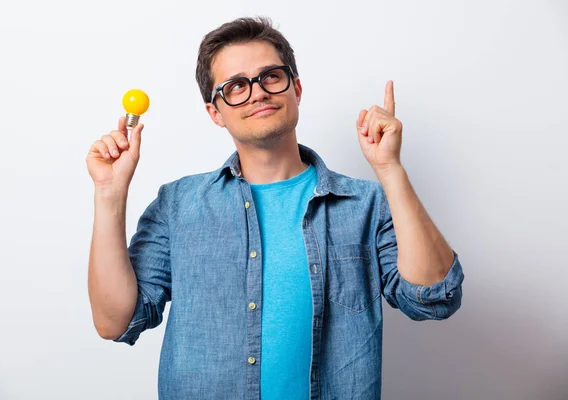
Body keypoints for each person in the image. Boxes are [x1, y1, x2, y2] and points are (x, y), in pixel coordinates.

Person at [86, 16, 464, 400]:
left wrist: (390, 169)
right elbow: (115, 321)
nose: (257, 93)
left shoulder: (365, 204)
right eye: (235, 86)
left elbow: (434, 297)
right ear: (215, 112)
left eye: (270, 76)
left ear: (296, 88)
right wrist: (109, 193)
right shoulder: (177, 206)